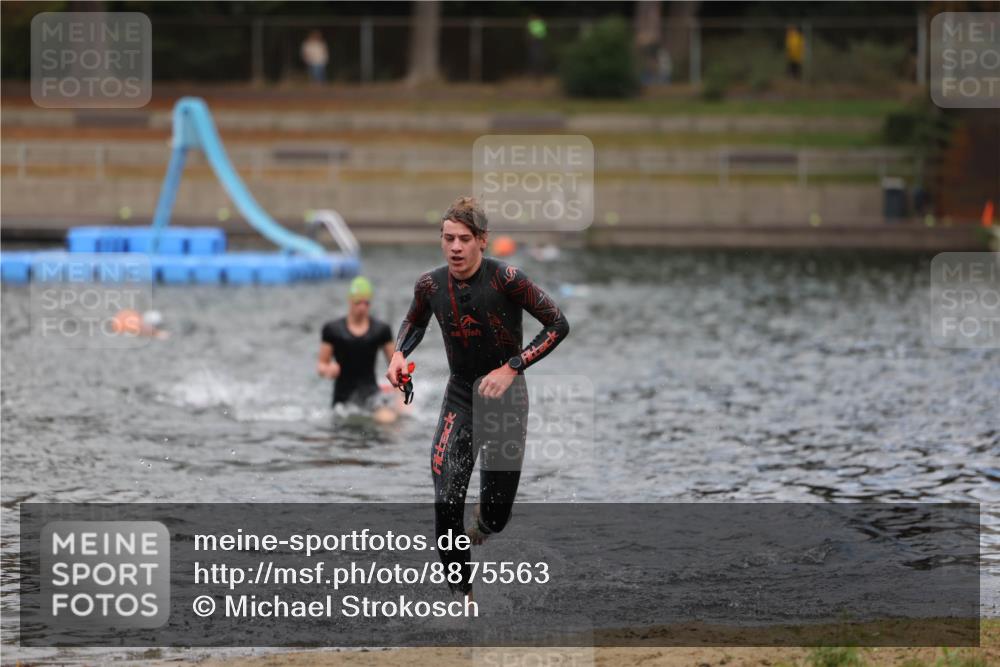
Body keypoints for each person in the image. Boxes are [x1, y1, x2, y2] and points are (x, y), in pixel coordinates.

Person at [386, 196, 570, 600]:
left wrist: (512, 367)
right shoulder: (430, 284)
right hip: (461, 397)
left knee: (496, 516)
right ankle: (462, 599)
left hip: (507, 401)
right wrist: (400, 352)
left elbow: (558, 324)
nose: (455, 247)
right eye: (448, 238)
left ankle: (483, 525)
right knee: (445, 498)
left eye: (464, 239)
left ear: (482, 241)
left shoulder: (508, 278)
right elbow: (414, 319)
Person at [318, 277, 396, 420]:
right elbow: (321, 365)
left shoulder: (381, 330)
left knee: (388, 420)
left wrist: (402, 395)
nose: (362, 307)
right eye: (358, 302)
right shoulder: (332, 330)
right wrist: (328, 369)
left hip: (371, 395)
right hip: (342, 401)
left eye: (366, 303)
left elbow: (395, 365)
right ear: (350, 301)